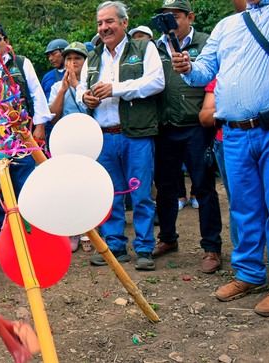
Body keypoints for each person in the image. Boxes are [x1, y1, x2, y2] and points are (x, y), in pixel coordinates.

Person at [172, 0, 269, 316]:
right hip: (233, 133)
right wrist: (188, 67)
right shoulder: (226, 25)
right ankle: (249, 274)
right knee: (244, 207)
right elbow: (205, 70)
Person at [77, 1, 164, 270]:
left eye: (110, 21)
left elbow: (156, 81)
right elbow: (81, 89)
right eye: (100, 23)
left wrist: (116, 88)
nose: (104, 28)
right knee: (110, 194)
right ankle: (115, 246)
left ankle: (145, 248)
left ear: (124, 23)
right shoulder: (92, 57)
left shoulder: (143, 48)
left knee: (140, 193)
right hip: (103, 137)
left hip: (136, 134)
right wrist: (86, 97)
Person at [150, 0, 223, 274]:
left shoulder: (206, 43)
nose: (169, 21)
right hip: (165, 127)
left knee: (203, 187)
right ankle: (168, 238)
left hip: (196, 126)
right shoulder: (155, 47)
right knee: (166, 188)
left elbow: (217, 76)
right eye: (164, 17)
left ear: (189, 17)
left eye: (175, 16)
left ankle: (211, 247)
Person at [0, 21, 52, 262]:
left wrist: (41, 125)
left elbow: (36, 93)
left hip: (22, 137)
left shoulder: (21, 63)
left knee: (26, 186)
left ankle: (31, 235)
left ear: (6, 40)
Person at [47, 42, 90, 253]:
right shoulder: (56, 86)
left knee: (88, 185)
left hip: (89, 142)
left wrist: (77, 86)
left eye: (77, 59)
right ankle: (72, 229)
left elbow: (92, 110)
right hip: (66, 142)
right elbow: (53, 116)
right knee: (69, 187)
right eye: (69, 60)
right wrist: (64, 90)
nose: (72, 64)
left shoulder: (92, 83)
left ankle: (90, 230)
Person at [199, 79, 238, 248]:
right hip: (228, 142)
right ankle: (246, 263)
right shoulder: (221, 78)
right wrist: (233, 108)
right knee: (238, 203)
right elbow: (205, 117)